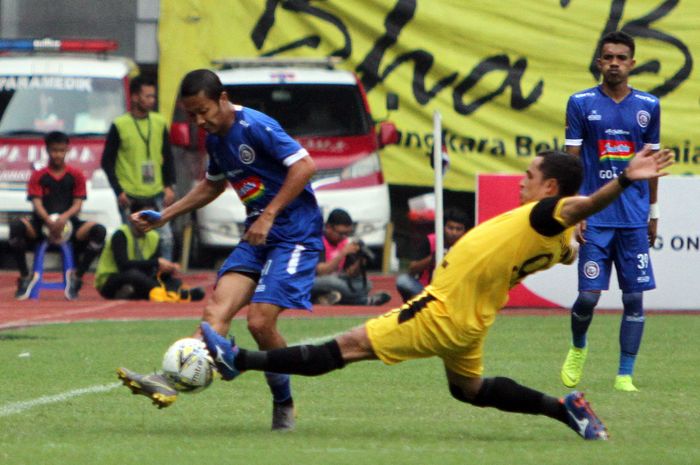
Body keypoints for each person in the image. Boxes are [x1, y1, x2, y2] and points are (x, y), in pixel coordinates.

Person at [198, 147, 674, 441]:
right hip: (471, 319)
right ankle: (564, 409)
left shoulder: (548, 213)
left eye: (529, 174)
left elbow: (585, 204)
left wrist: (626, 180)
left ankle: (237, 359)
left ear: (550, 187)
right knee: (468, 391)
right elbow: (569, 243)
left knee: (344, 348)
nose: (521, 180)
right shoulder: (556, 236)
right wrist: (572, 244)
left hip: (442, 312)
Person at [116, 69, 323, 431]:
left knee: (259, 322)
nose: (198, 121)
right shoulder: (215, 140)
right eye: (190, 114)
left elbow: (305, 166)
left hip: (295, 236)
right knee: (215, 312)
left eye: (203, 111)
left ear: (223, 99)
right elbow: (211, 187)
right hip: (257, 237)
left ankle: (283, 402)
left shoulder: (255, 125)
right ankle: (170, 377)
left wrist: (270, 215)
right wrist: (165, 216)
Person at [560, 31, 662, 393]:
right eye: (608, 57)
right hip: (595, 216)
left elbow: (650, 164)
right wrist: (575, 211)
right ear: (599, 62)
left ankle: (624, 375)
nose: (615, 63)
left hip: (633, 219)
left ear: (632, 63)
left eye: (622, 57)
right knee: (588, 296)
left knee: (634, 298)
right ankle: (578, 346)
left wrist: (653, 213)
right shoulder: (581, 102)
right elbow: (571, 165)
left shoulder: (648, 106)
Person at [10, 131, 106, 300]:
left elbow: (78, 203)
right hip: (42, 224)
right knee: (16, 227)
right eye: (54, 151)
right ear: (47, 150)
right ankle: (25, 276)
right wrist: (48, 220)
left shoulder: (75, 175)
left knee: (99, 231)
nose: (58, 155)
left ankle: (77, 277)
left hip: (69, 224)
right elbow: (36, 202)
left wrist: (64, 218)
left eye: (61, 151)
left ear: (67, 150)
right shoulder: (38, 176)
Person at [101, 75, 177, 261]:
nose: (152, 100)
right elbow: (107, 161)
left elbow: (167, 156)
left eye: (153, 96)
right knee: (131, 240)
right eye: (147, 96)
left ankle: (164, 280)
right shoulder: (120, 125)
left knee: (166, 238)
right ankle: (134, 278)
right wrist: (118, 191)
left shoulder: (159, 122)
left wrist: (169, 185)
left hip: (156, 191)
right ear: (134, 97)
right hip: (130, 194)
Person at [94, 201, 205, 302]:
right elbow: (124, 265)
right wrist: (157, 262)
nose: (147, 221)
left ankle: (137, 293)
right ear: (132, 217)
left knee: (168, 279)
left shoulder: (154, 237)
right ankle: (174, 294)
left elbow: (152, 268)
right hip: (110, 280)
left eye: (151, 217)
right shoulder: (121, 234)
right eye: (143, 217)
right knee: (134, 275)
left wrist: (167, 268)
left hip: (140, 278)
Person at [311, 208, 392, 306]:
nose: (344, 237)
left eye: (347, 234)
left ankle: (326, 298)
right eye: (341, 233)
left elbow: (349, 274)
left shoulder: (343, 243)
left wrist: (360, 262)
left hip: (337, 280)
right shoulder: (317, 241)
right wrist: (342, 254)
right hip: (313, 280)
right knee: (331, 281)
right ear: (328, 227)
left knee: (366, 284)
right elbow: (321, 272)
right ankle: (364, 301)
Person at [396, 207, 470, 302]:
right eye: (450, 228)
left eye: (458, 229)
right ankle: (414, 306)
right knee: (403, 280)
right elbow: (412, 269)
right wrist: (432, 258)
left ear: (464, 231)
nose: (454, 232)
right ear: (443, 227)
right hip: (425, 289)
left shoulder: (466, 246)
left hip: (452, 292)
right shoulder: (430, 240)